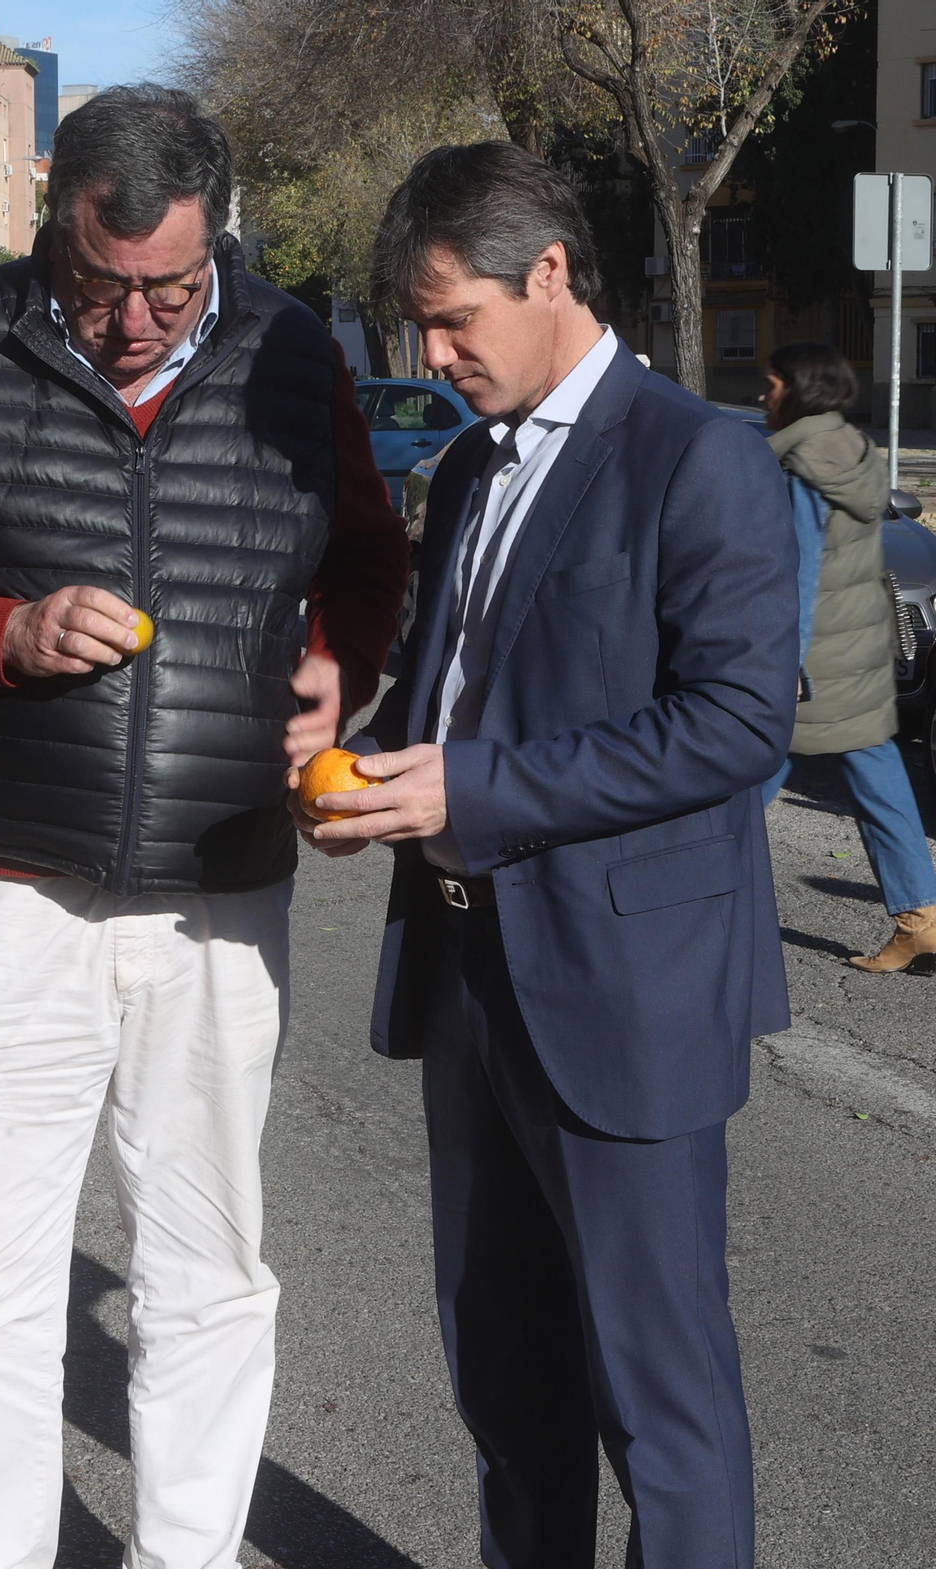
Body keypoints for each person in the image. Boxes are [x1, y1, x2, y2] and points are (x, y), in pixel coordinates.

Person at [0, 84, 407, 1569]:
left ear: (218, 248)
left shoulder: (286, 353)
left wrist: (345, 663)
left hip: (218, 896)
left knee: (208, 1274)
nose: (134, 321)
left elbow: (368, 555)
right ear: (49, 227)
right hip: (3, 899)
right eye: (99, 285)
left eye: (170, 287)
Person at [292, 142, 798, 1569]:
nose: (437, 353)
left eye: (456, 319)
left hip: (625, 986)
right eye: (420, 327)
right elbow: (466, 695)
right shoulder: (464, 469)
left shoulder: (699, 454)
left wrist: (474, 783)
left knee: (660, 1397)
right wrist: (372, 761)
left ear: (554, 274)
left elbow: (740, 726)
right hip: (468, 972)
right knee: (502, 1372)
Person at [758, 340, 936, 972]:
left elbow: (798, 574)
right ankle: (921, 917)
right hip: (858, 648)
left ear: (798, 390)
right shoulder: (854, 451)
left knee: (740, 777)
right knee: (879, 777)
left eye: (772, 383)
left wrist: (781, 667)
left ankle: (683, 898)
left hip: (814, 660)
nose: (762, 394)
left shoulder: (802, 464)